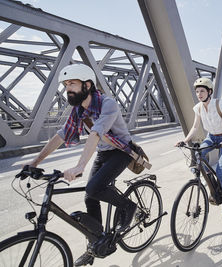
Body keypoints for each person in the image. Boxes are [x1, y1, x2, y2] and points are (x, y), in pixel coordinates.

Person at [20, 64, 137, 266]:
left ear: (87, 85)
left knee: (94, 187)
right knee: (89, 196)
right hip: (103, 152)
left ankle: (129, 206)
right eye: (66, 85)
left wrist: (80, 166)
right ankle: (97, 243)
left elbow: (96, 133)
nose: (68, 89)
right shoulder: (78, 111)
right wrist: (34, 162)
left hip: (121, 151)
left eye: (72, 83)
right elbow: (60, 136)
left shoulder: (107, 104)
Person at [175, 77, 222, 216]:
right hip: (211, 137)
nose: (199, 94)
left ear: (209, 91)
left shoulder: (220, 105)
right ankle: (210, 179)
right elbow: (195, 127)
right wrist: (185, 140)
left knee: (220, 170)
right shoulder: (198, 108)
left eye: (202, 91)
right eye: (197, 91)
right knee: (198, 155)